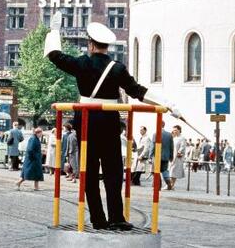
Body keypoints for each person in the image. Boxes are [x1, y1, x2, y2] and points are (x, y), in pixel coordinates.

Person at [45, 21, 177, 231]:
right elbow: (137, 91)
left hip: (86, 122)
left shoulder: (81, 64)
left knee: (88, 172)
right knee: (113, 172)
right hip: (108, 123)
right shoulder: (117, 68)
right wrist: (167, 104)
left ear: (90, 44)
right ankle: (116, 217)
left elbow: (54, 55)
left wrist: (54, 31)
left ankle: (97, 219)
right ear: (107, 46)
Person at [16, 126, 45, 191]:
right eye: (41, 133)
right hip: (32, 160)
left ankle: (36, 186)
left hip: (34, 159)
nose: (41, 135)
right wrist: (35, 156)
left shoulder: (35, 138)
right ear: (38, 133)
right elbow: (30, 149)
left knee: (35, 173)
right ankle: (18, 182)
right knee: (28, 173)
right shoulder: (33, 139)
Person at [168, 125, 186, 190]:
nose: (174, 131)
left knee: (173, 172)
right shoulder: (174, 138)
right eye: (173, 130)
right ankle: (171, 185)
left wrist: (179, 152)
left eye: (175, 130)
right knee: (171, 172)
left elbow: (183, 146)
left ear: (179, 130)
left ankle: (170, 185)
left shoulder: (182, 138)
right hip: (172, 157)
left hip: (177, 157)